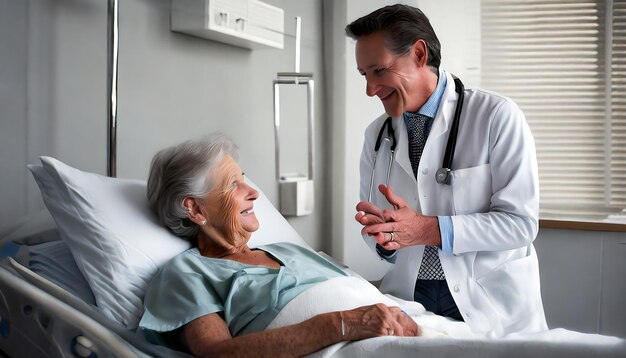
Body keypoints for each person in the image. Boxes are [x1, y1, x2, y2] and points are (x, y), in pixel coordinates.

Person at [347, 5, 547, 337]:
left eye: (379, 71)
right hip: (412, 297)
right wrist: (385, 237)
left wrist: (425, 229)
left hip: (487, 298)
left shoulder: (497, 116)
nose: (370, 89)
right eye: (363, 75)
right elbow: (384, 241)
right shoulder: (377, 135)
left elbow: (520, 225)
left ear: (419, 54)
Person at [138, 134, 419, 357]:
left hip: (408, 332)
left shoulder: (289, 249)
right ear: (195, 209)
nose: (254, 192)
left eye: (244, 179)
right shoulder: (187, 273)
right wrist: (342, 324)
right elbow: (217, 354)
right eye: (233, 185)